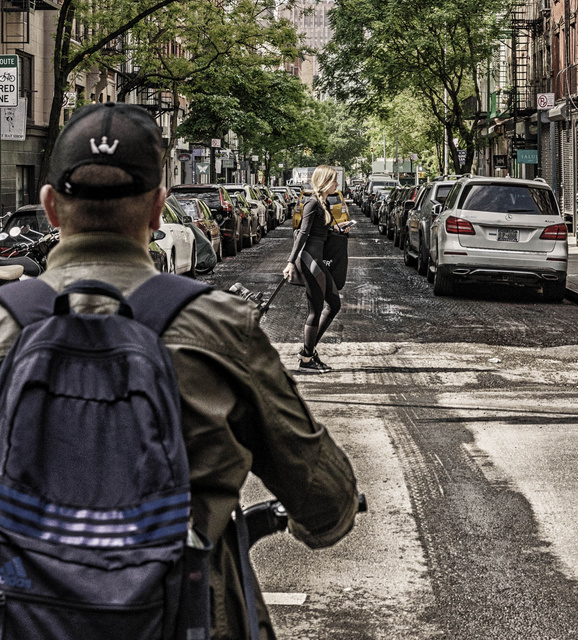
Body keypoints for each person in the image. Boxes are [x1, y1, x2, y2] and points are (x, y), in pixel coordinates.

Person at [0, 103, 358, 640]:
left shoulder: (5, 324)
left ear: (50, 208)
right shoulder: (215, 325)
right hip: (187, 619)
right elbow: (327, 500)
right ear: (157, 210)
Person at [283, 165, 348, 374]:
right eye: (334, 181)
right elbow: (302, 234)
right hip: (310, 260)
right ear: (325, 182)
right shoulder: (311, 203)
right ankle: (307, 359)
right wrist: (291, 262)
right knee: (316, 309)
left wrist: (337, 229)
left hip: (318, 260)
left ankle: (307, 351)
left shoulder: (324, 203)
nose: (337, 185)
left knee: (334, 304)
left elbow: (321, 231)